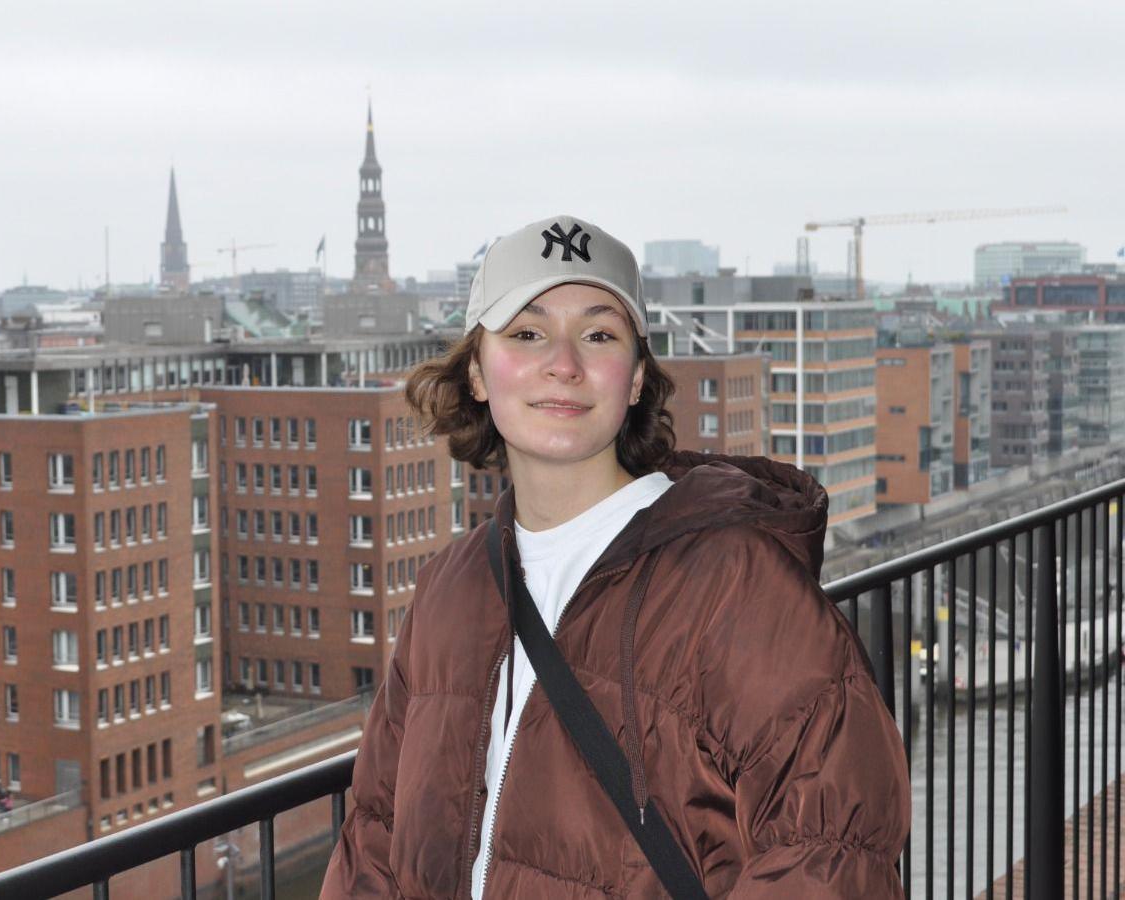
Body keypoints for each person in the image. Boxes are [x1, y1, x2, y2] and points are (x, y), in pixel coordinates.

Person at [320, 215, 911, 898]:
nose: (563, 364)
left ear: (634, 380)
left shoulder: (732, 579)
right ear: (477, 372)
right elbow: (374, 831)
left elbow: (834, 848)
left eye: (599, 335)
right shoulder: (451, 588)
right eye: (527, 333)